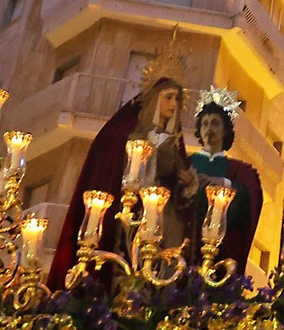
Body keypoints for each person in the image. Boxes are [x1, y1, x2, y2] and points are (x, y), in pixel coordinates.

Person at [48, 71, 197, 289]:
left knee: (155, 271)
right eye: (169, 97)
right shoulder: (128, 133)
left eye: (177, 99)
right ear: (154, 99)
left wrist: (187, 184)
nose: (174, 104)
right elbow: (112, 163)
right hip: (128, 210)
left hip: (161, 218)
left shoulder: (174, 142)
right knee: (123, 264)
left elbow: (179, 190)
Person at [188, 88, 263, 272]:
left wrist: (222, 183)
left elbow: (248, 202)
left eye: (215, 123)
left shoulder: (240, 171)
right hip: (187, 246)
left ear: (225, 130)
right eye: (204, 124)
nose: (209, 129)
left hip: (223, 252)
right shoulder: (186, 164)